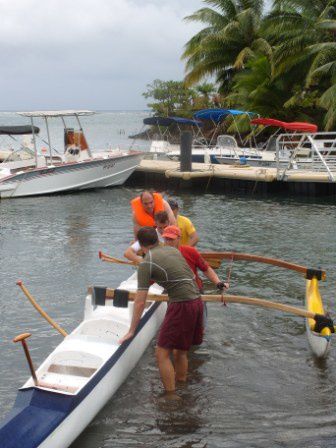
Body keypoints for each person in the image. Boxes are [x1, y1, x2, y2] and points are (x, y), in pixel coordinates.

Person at [119, 227, 206, 396]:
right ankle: (182, 386)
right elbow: (189, 277)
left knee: (161, 354)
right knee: (181, 351)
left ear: (140, 245)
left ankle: (172, 398)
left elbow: (139, 301)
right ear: (158, 240)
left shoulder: (146, 262)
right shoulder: (173, 251)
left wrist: (132, 330)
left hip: (181, 304)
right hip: (197, 301)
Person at [162, 225, 228, 294]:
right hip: (173, 290)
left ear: (179, 238)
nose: (168, 242)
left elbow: (206, 269)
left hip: (194, 290)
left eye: (171, 239)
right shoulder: (161, 254)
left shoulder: (190, 251)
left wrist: (218, 283)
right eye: (166, 239)